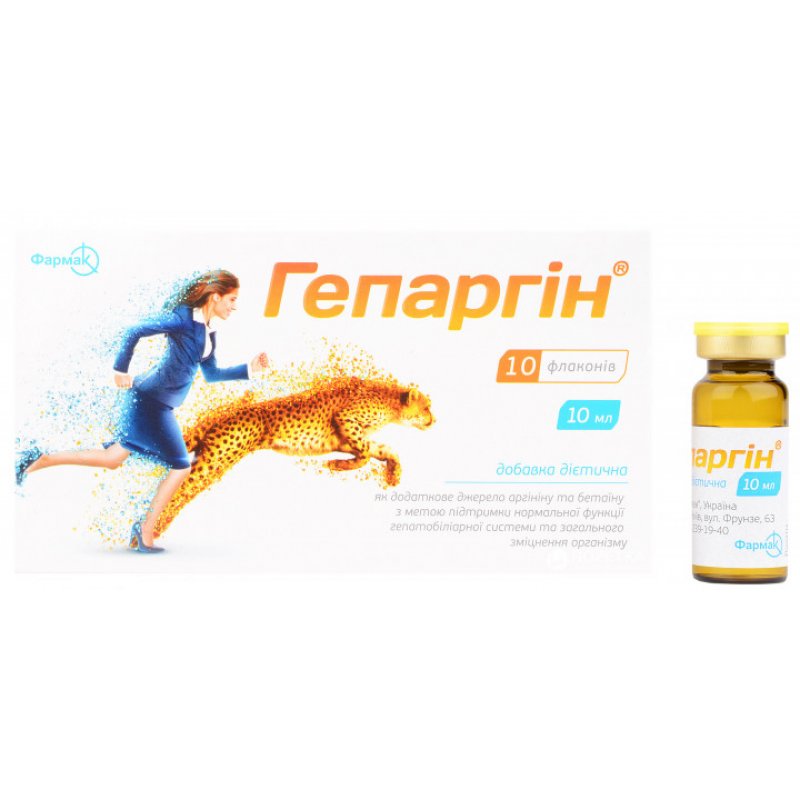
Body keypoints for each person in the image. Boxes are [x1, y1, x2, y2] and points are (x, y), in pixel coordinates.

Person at [16, 269, 268, 552]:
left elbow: (212, 374)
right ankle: (145, 531)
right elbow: (134, 330)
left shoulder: (209, 332)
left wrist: (249, 369)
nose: (234, 306)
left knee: (112, 459)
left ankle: (40, 458)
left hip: (158, 402)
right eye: (232, 299)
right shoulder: (182, 319)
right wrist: (120, 369)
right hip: (151, 402)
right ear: (216, 296)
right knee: (181, 466)